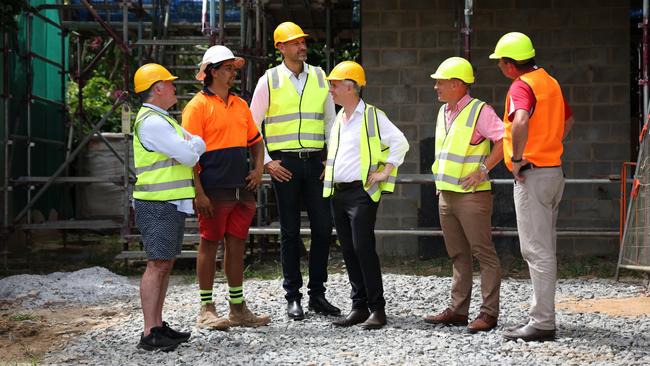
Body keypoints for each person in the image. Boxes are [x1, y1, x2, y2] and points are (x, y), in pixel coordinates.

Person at [250, 21, 339, 320]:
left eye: (303, 42)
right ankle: (293, 297)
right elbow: (252, 124)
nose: (302, 46)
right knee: (289, 232)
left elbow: (330, 121)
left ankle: (318, 294)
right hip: (284, 165)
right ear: (281, 48)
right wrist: (267, 163)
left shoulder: (319, 76)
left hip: (316, 163)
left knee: (323, 229)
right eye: (295, 42)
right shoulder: (269, 80)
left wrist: (332, 159)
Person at [489, 32, 574, 342]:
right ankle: (542, 317)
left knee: (536, 251)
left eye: (501, 62)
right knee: (544, 248)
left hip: (533, 175)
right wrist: (550, 144)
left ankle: (542, 322)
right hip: (553, 171)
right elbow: (568, 120)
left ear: (511, 65)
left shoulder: (520, 86)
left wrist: (517, 158)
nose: (500, 66)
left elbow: (521, 120)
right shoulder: (549, 82)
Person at [182, 45, 270, 330]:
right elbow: (188, 155)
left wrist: (258, 169)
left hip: (241, 189)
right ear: (213, 72)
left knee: (236, 245)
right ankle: (206, 309)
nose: (234, 73)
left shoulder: (240, 105)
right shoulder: (196, 106)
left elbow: (256, 141)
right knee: (209, 244)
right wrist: (199, 191)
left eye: (234, 68)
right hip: (213, 189)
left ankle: (237, 309)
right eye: (229, 68)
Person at [323, 61, 409, 330]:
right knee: (348, 250)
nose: (331, 90)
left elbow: (400, 142)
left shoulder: (373, 116)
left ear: (350, 87)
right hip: (339, 193)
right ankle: (359, 307)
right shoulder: (339, 119)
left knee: (363, 248)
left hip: (361, 193)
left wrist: (386, 171)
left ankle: (377, 309)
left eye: (334, 85)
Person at [424, 57, 504, 333]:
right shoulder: (443, 112)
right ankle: (458, 311)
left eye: (440, 82)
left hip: (472, 196)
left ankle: (488, 314)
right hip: (446, 194)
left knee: (484, 253)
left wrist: (483, 169)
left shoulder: (479, 111)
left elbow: (504, 140)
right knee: (458, 254)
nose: (436, 86)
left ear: (457, 84)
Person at [132, 63, 205, 351]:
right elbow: (189, 154)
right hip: (158, 203)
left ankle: (157, 326)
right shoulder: (152, 122)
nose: (175, 87)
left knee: (164, 264)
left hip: (168, 202)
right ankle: (150, 332)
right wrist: (193, 146)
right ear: (157, 88)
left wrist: (193, 145)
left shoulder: (162, 119)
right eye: (170, 83)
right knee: (157, 264)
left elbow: (195, 145)